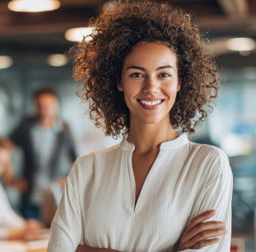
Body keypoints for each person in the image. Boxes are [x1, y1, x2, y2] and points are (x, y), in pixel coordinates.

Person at [48, 1, 233, 252]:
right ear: (119, 81)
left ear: (180, 82)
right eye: (136, 74)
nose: (151, 87)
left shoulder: (208, 164)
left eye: (163, 74)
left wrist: (86, 249)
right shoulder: (87, 169)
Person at [10, 86, 77, 220]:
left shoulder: (64, 129)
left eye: (48, 105)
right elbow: (5, 147)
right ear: (35, 106)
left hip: (54, 196)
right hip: (30, 196)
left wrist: (67, 179)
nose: (44, 109)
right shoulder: (26, 127)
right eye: (40, 105)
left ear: (56, 106)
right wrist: (11, 178)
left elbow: (76, 159)